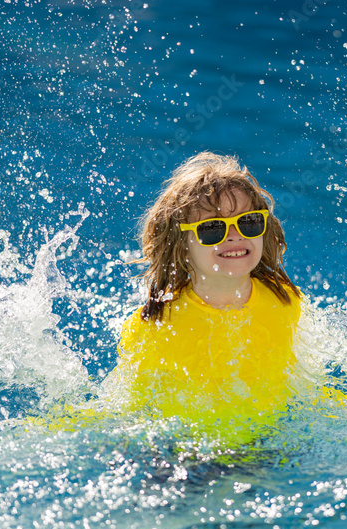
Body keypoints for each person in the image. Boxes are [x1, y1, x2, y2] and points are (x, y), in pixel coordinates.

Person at [109, 151, 312, 442]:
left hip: (271, 443)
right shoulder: (155, 326)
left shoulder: (286, 301)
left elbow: (308, 380)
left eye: (248, 222)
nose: (234, 235)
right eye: (212, 229)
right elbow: (133, 412)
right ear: (180, 245)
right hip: (186, 453)